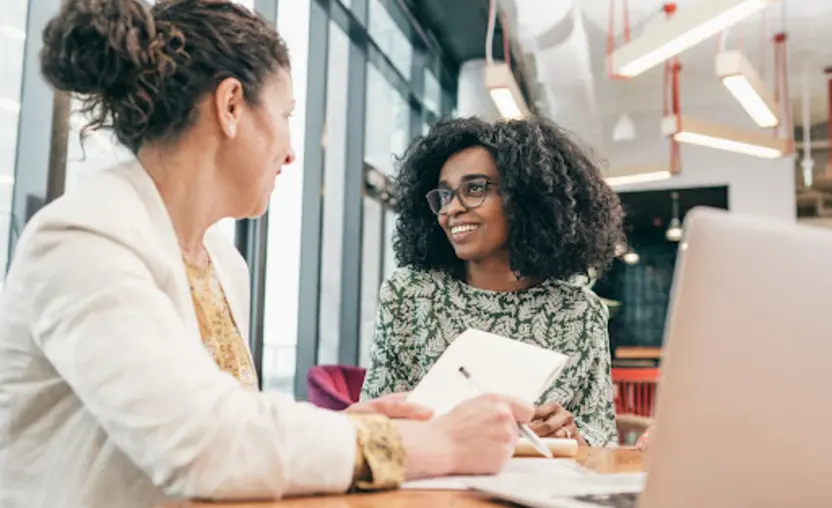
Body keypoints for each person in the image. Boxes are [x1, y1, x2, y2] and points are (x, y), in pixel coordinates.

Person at [0, 2, 534, 507]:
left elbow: (228, 423)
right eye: (285, 114)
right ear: (230, 105)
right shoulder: (82, 238)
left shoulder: (221, 260)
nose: (290, 150)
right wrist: (437, 445)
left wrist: (353, 427)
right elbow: (202, 444)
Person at [361, 116, 625, 447]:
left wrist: (570, 435)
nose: (451, 210)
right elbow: (373, 424)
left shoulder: (581, 312)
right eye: (444, 196)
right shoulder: (410, 295)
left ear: (527, 198)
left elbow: (603, 440)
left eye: (474, 189)